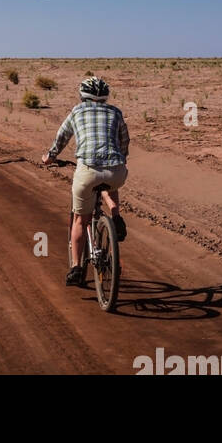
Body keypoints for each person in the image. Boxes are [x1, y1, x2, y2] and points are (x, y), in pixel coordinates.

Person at [41, 76, 129, 287]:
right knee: (109, 181)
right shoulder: (116, 112)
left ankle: (77, 268)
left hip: (87, 171)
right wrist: (121, 157)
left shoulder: (77, 111)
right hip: (117, 171)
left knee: (80, 219)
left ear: (82, 96)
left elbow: (61, 137)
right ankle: (115, 215)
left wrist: (50, 157)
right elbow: (124, 140)